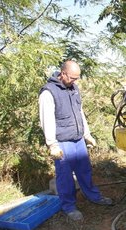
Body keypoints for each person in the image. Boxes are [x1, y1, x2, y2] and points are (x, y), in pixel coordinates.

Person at [39, 60, 112, 221]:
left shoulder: (73, 88)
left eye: (77, 78)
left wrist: (87, 135)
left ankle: (93, 196)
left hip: (78, 139)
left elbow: (80, 112)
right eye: (72, 78)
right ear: (63, 73)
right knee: (64, 176)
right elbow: (47, 119)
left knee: (84, 170)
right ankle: (69, 206)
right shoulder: (48, 92)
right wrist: (52, 144)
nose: (74, 81)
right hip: (62, 141)